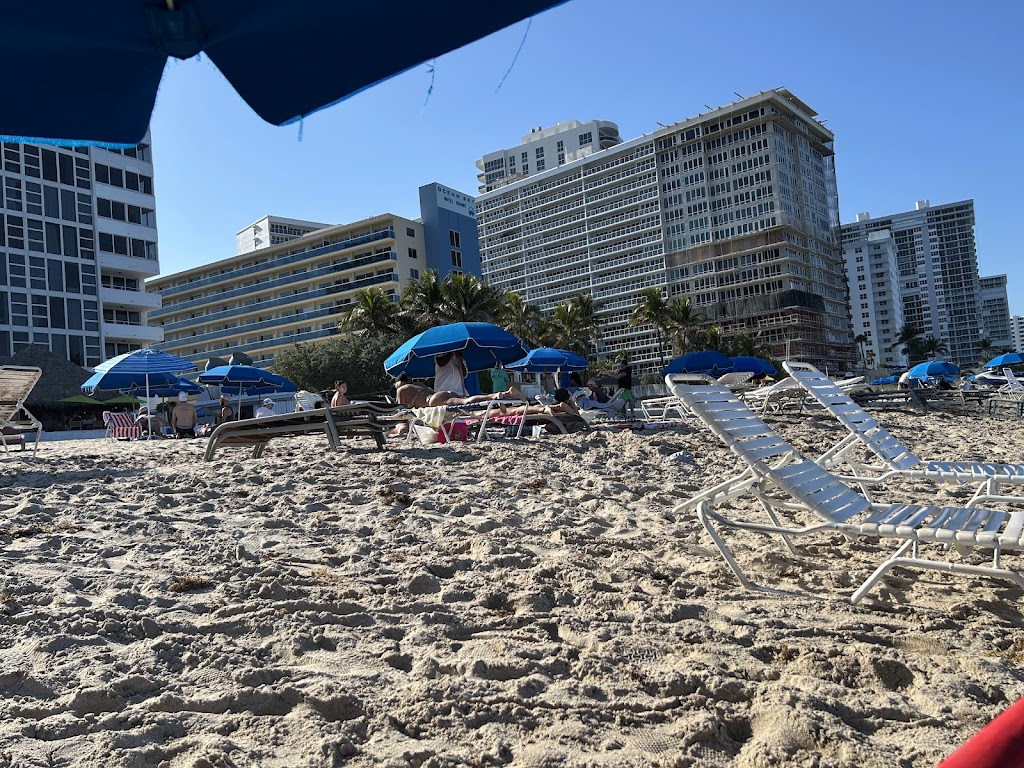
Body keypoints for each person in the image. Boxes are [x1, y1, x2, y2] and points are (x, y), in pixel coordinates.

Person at [394, 374, 528, 408]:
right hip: (441, 393)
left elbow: (402, 410)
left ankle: (501, 395)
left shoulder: (402, 390)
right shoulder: (419, 384)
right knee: (468, 400)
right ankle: (500, 395)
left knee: (466, 402)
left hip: (434, 400)